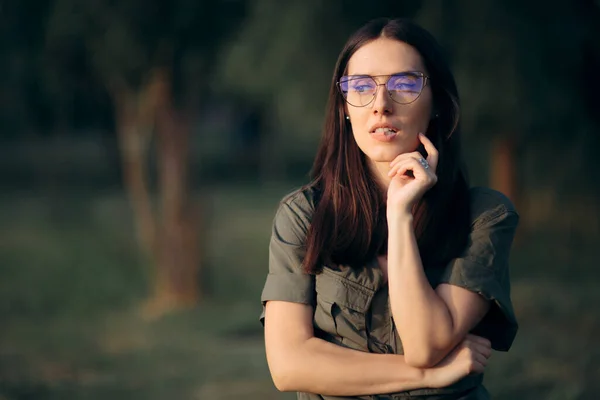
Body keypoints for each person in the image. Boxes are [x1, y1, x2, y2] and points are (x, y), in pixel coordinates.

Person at [260, 17, 519, 400]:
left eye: (404, 84)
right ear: (344, 107)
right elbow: (289, 366)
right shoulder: (304, 215)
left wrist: (399, 216)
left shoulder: (484, 215)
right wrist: (431, 375)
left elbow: (425, 345)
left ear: (437, 105)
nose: (381, 105)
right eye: (361, 87)